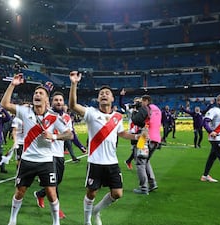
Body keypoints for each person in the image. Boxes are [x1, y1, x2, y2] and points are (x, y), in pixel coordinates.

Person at [68, 71, 141, 225]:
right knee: (91, 193)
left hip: (112, 163)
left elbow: (121, 133)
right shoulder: (90, 113)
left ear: (112, 98)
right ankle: (88, 220)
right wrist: (74, 83)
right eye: (101, 93)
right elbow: (73, 105)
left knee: (117, 193)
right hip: (95, 161)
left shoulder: (118, 117)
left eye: (107, 93)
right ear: (98, 98)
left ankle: (96, 211)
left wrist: (136, 137)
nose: (104, 95)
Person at [1, 75, 73, 225]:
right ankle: (12, 219)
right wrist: (13, 85)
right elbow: (5, 103)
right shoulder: (25, 111)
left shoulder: (53, 117)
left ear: (47, 100)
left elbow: (69, 134)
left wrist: (53, 136)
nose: (37, 95)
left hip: (46, 161)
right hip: (27, 159)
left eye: (41, 93)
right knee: (20, 191)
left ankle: (55, 222)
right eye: (35, 93)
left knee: (52, 193)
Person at [33, 91, 73, 219]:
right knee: (54, 183)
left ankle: (40, 194)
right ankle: (57, 210)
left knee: (58, 180)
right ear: (51, 102)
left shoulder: (67, 118)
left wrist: (81, 146)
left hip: (59, 153)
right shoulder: (46, 115)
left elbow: (70, 134)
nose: (58, 102)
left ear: (63, 103)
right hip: (48, 154)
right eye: (56, 100)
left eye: (60, 100)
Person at [131, 95, 162, 195]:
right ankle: (152, 183)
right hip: (156, 138)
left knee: (140, 163)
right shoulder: (157, 109)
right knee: (146, 161)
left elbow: (136, 120)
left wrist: (135, 111)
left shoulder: (146, 108)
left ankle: (143, 188)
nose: (141, 104)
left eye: (142, 101)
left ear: (146, 101)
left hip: (145, 138)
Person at [119, 88, 142, 170]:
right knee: (137, 148)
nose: (138, 103)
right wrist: (121, 96)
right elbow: (121, 105)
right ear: (134, 101)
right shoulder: (131, 108)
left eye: (139, 101)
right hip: (133, 132)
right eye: (137, 101)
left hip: (141, 131)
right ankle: (139, 165)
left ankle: (129, 161)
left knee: (140, 147)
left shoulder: (142, 109)